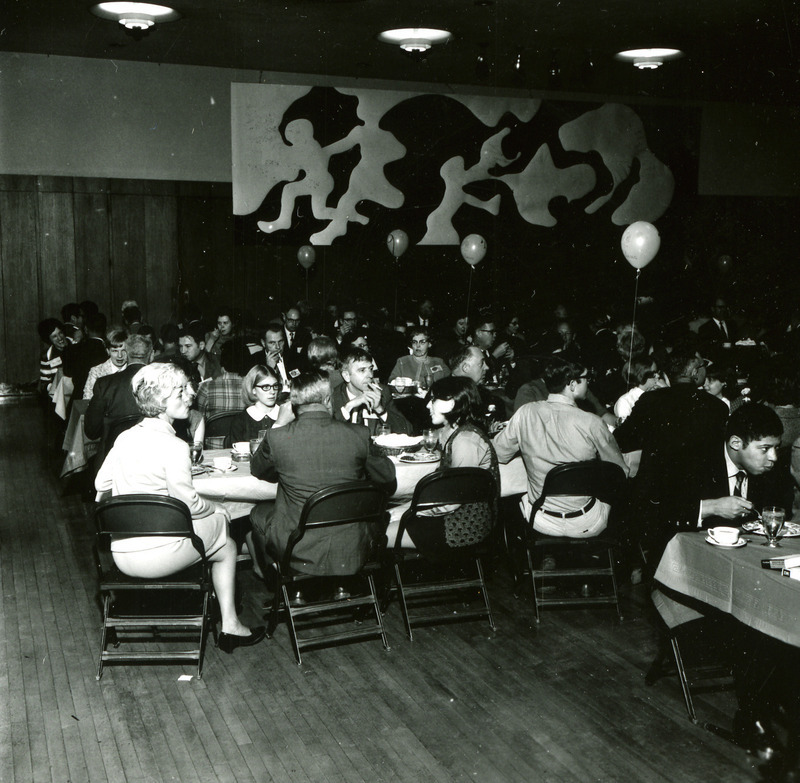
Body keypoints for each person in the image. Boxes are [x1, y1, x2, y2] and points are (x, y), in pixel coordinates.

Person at [95, 362, 264, 652]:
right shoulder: (174, 447)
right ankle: (230, 624)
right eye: (181, 391)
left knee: (218, 534)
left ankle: (226, 620)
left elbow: (101, 486)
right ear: (160, 402)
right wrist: (216, 509)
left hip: (121, 554)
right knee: (227, 539)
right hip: (160, 556)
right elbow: (190, 504)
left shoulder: (124, 438)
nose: (190, 396)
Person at [249, 371, 396, 575]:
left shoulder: (278, 438)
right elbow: (387, 476)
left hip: (298, 547)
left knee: (257, 513)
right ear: (328, 400)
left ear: (293, 404)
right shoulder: (359, 434)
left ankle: (279, 572)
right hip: (353, 545)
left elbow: (257, 468)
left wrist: (280, 424)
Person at [614, 353, 735, 560]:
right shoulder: (717, 407)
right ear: (695, 373)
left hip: (657, 496)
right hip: (701, 495)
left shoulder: (650, 400)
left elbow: (623, 440)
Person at [493, 357, 629, 537]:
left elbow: (499, 455)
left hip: (540, 519)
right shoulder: (592, 422)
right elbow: (619, 473)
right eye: (587, 378)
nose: (589, 383)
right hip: (587, 522)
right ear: (572, 384)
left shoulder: (525, 413)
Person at [386, 377, 499, 553]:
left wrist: (410, 511)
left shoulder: (466, 440)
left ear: (452, 402)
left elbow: (452, 501)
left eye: (433, 399)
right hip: (452, 514)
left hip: (464, 525)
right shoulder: (455, 430)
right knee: (387, 516)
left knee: (378, 534)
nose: (427, 406)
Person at [85, 333, 154, 443]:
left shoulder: (104, 384)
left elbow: (91, 431)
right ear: (152, 354)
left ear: (127, 353)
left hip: (112, 450)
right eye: (115, 351)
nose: (119, 355)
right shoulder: (161, 382)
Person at [331, 347, 412, 435]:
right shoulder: (333, 397)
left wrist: (380, 409)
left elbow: (407, 431)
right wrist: (349, 407)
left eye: (370, 369)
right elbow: (328, 435)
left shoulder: (382, 392)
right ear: (346, 375)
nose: (370, 375)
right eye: (362, 370)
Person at [226, 364, 293, 447]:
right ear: (253, 390)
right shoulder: (240, 421)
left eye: (275, 386)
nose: (272, 392)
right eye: (266, 387)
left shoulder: (288, 415)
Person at [83, 329, 128, 400]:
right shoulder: (96, 372)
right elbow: (88, 399)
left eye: (124, 350)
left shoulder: (135, 370)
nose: (120, 355)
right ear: (108, 351)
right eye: (115, 351)